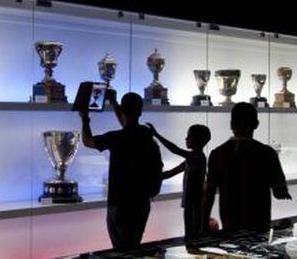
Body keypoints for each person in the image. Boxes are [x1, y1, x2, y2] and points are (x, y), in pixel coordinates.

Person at [79, 91, 163, 251]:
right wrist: (114, 102)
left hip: (120, 203)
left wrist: (85, 119)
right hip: (141, 201)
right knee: (133, 244)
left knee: (121, 249)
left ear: (123, 111)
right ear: (140, 111)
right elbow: (128, 124)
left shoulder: (117, 137)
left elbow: (87, 141)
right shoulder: (146, 135)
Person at [204, 102, 292, 232]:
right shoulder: (267, 152)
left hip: (230, 220)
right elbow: (279, 192)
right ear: (256, 124)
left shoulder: (217, 153)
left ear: (231, 124)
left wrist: (202, 222)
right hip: (259, 220)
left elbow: (209, 193)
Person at [147, 122, 211, 242]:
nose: (186, 139)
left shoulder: (196, 157)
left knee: (192, 235)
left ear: (196, 139)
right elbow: (170, 173)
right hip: (191, 204)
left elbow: (174, 150)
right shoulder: (193, 158)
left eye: (189, 136)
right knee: (191, 234)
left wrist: (157, 135)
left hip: (194, 204)